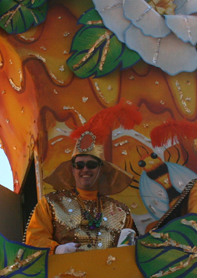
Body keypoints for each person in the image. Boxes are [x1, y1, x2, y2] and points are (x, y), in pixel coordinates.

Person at [25, 103, 139, 254]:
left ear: (101, 169)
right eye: (80, 165)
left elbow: (132, 253)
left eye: (91, 164)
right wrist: (57, 249)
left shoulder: (121, 212)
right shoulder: (51, 204)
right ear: (72, 169)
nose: (85, 169)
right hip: (64, 275)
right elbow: (33, 240)